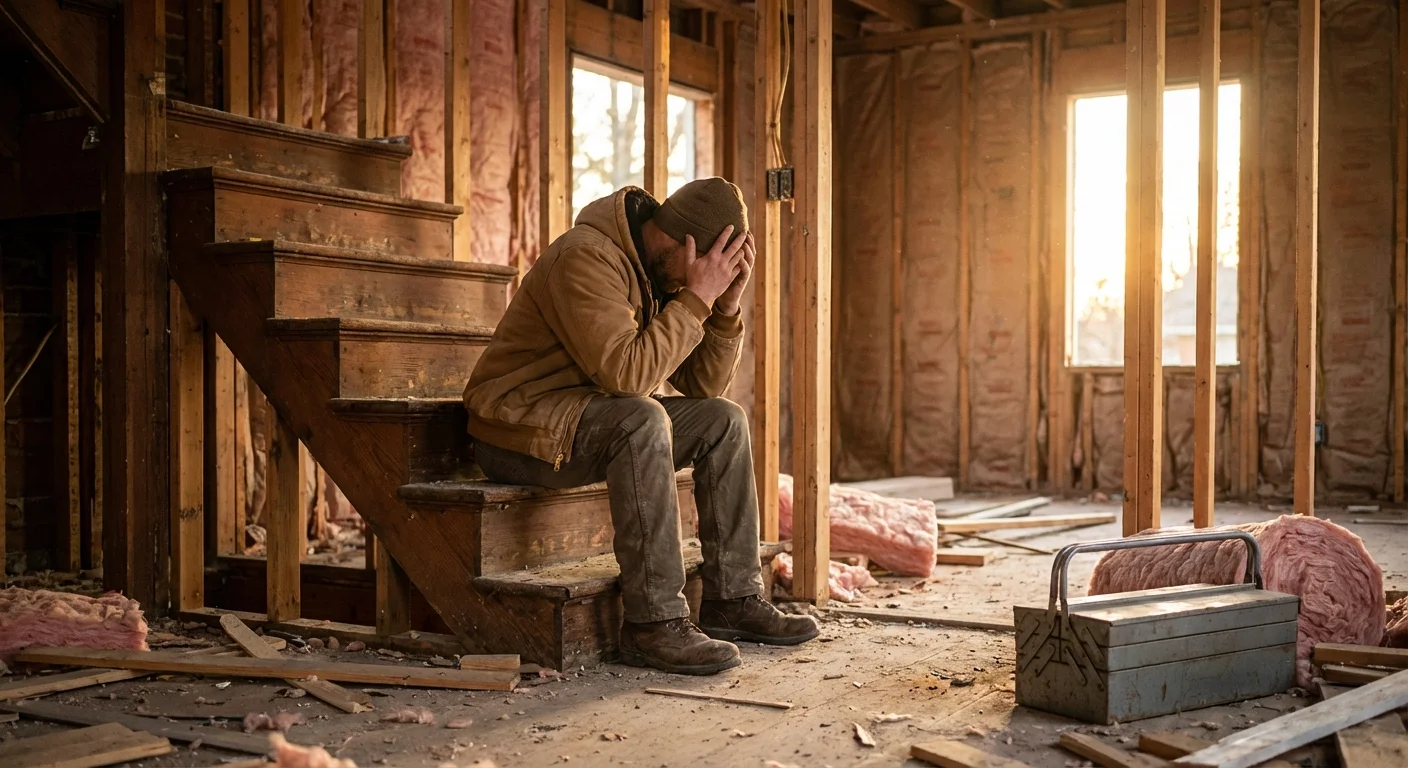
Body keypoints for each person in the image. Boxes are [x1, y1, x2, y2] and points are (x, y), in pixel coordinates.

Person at [463, 178, 819, 675]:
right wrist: (695, 296)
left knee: (724, 420)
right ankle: (654, 625)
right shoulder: (585, 258)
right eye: (708, 270)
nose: (700, 285)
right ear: (687, 245)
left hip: (587, 419)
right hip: (517, 430)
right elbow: (627, 375)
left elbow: (703, 386)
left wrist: (725, 305)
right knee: (642, 417)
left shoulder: (658, 270)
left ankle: (733, 600)